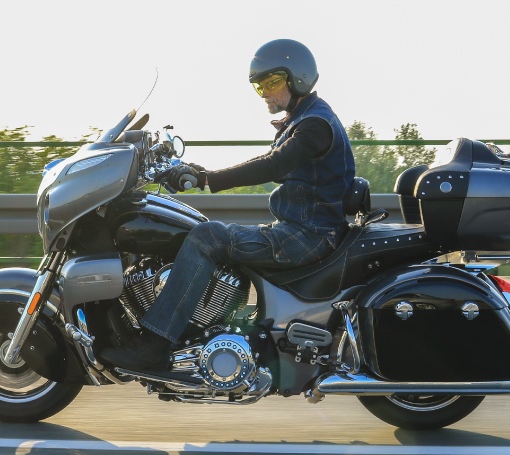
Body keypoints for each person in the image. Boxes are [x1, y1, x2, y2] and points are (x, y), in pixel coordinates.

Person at [100, 38, 356, 372]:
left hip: (305, 236)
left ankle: (155, 343)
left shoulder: (315, 125)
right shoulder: (304, 118)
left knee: (208, 238)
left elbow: (273, 164)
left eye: (272, 82)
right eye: (259, 85)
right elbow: (270, 159)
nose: (265, 92)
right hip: (301, 230)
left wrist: (207, 179)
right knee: (207, 234)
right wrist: (188, 171)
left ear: (299, 78)